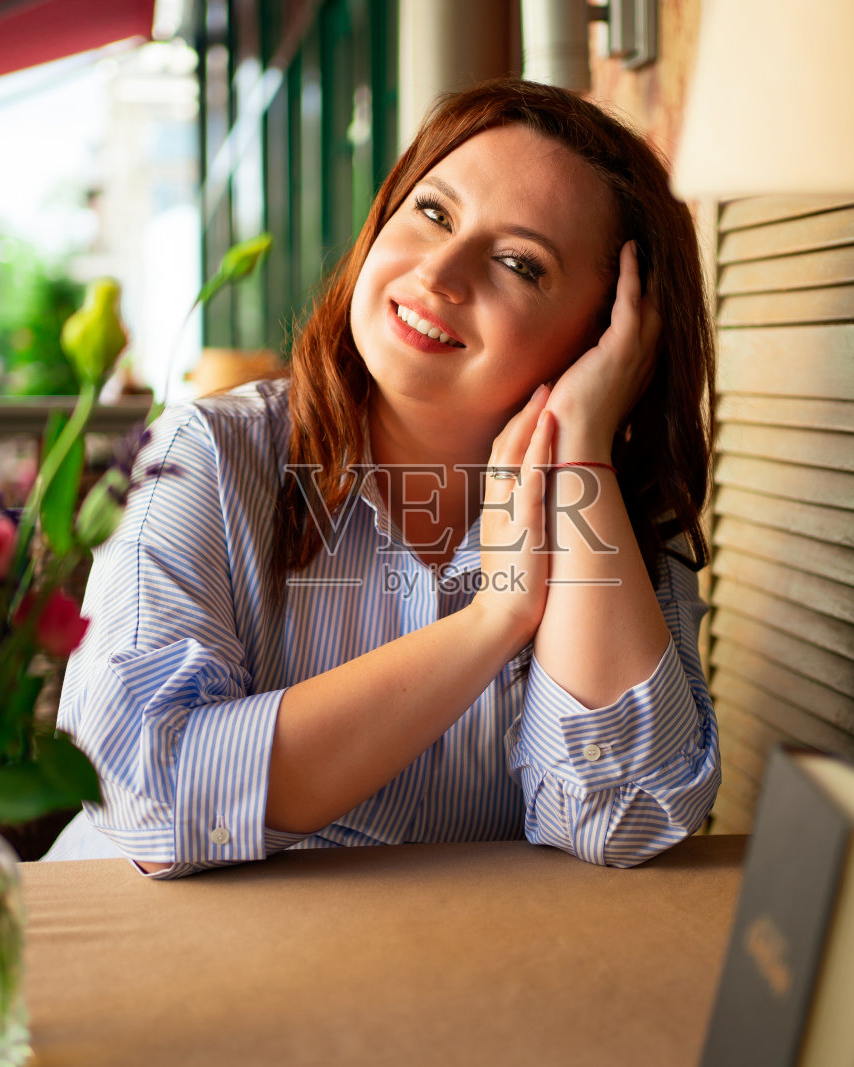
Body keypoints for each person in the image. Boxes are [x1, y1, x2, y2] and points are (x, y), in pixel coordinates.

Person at [45, 79, 719, 876]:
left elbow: (627, 819)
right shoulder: (206, 454)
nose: (440, 271)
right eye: (433, 212)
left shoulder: (611, 509)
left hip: (444, 985)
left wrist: (578, 453)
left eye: (518, 263)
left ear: (605, 335)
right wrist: (490, 621)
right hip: (147, 966)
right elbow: (146, 791)